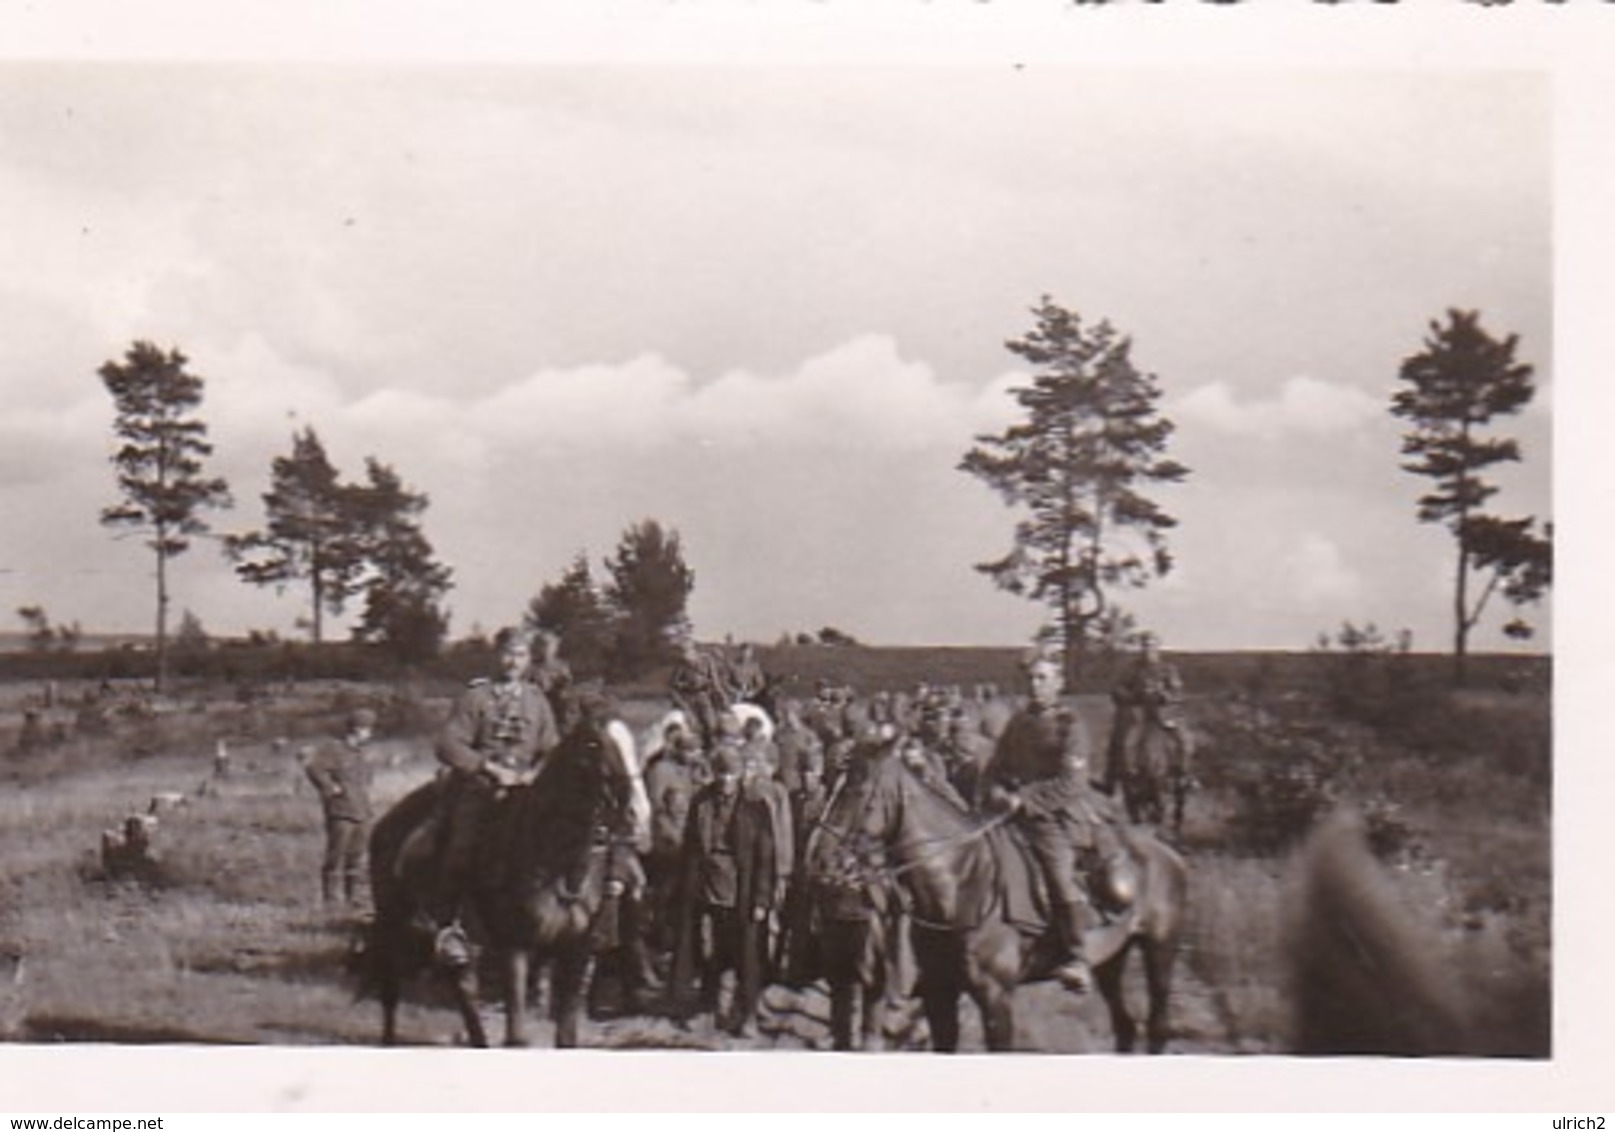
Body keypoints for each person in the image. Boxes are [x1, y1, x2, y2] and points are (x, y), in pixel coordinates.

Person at [979, 649, 1115, 995]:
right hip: (1008, 814)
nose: (1035, 685)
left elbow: (1072, 783)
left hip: (1054, 817)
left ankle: (1076, 956)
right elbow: (996, 766)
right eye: (1031, 679)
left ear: (1059, 682)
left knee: (1058, 874)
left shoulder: (1071, 725)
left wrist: (1023, 800)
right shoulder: (1019, 722)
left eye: (1043, 678)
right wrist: (994, 790)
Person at [424, 627, 561, 959]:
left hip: (528, 789)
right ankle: (451, 927)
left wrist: (534, 774)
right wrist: (488, 768)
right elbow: (448, 744)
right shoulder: (476, 697)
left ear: (529, 660)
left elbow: (551, 748)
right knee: (461, 846)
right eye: (507, 654)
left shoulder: (536, 699)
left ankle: (555, 924)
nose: (513, 662)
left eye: (521, 655)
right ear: (495, 656)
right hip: (482, 787)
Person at [669, 741, 779, 1038]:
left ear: (741, 774)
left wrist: (761, 899)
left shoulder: (756, 807)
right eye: (720, 773)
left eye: (731, 774)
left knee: (747, 955)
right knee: (707, 952)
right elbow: (690, 848)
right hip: (706, 888)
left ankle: (749, 1013)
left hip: (742, 890)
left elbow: (767, 858)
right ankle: (706, 1007)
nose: (725, 780)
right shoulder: (701, 802)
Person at [303, 707, 377, 907]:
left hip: (362, 812)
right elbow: (313, 768)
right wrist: (330, 788)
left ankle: (352, 897)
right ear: (356, 729)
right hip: (341, 812)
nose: (370, 734)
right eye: (367, 729)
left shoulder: (363, 754)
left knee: (356, 856)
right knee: (335, 856)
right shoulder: (334, 749)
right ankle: (331, 900)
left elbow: (366, 781)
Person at [1104, 631, 1189, 796]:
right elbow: (1117, 689)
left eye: (1151, 646)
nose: (1148, 650)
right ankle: (1125, 776)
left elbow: (1178, 692)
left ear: (1158, 648)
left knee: (1185, 741)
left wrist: (1167, 696)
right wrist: (1132, 696)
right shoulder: (1132, 669)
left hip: (1164, 715)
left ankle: (1183, 775)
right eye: (1144, 646)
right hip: (1140, 713)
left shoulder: (1168, 669)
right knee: (1126, 743)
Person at [668, 635, 733, 748]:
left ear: (694, 649)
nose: (686, 653)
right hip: (687, 698)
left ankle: (712, 747)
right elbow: (673, 687)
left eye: (688, 649)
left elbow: (715, 682)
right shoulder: (680, 666)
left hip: (703, 696)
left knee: (711, 723)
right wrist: (684, 690)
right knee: (691, 724)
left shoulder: (706, 661)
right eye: (683, 650)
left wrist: (723, 699)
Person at [528, 628, 577, 736]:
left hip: (558, 708)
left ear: (556, 647)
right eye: (544, 645)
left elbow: (568, 687)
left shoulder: (561, 666)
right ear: (539, 647)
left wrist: (562, 687)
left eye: (550, 645)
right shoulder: (533, 667)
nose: (547, 649)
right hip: (538, 707)